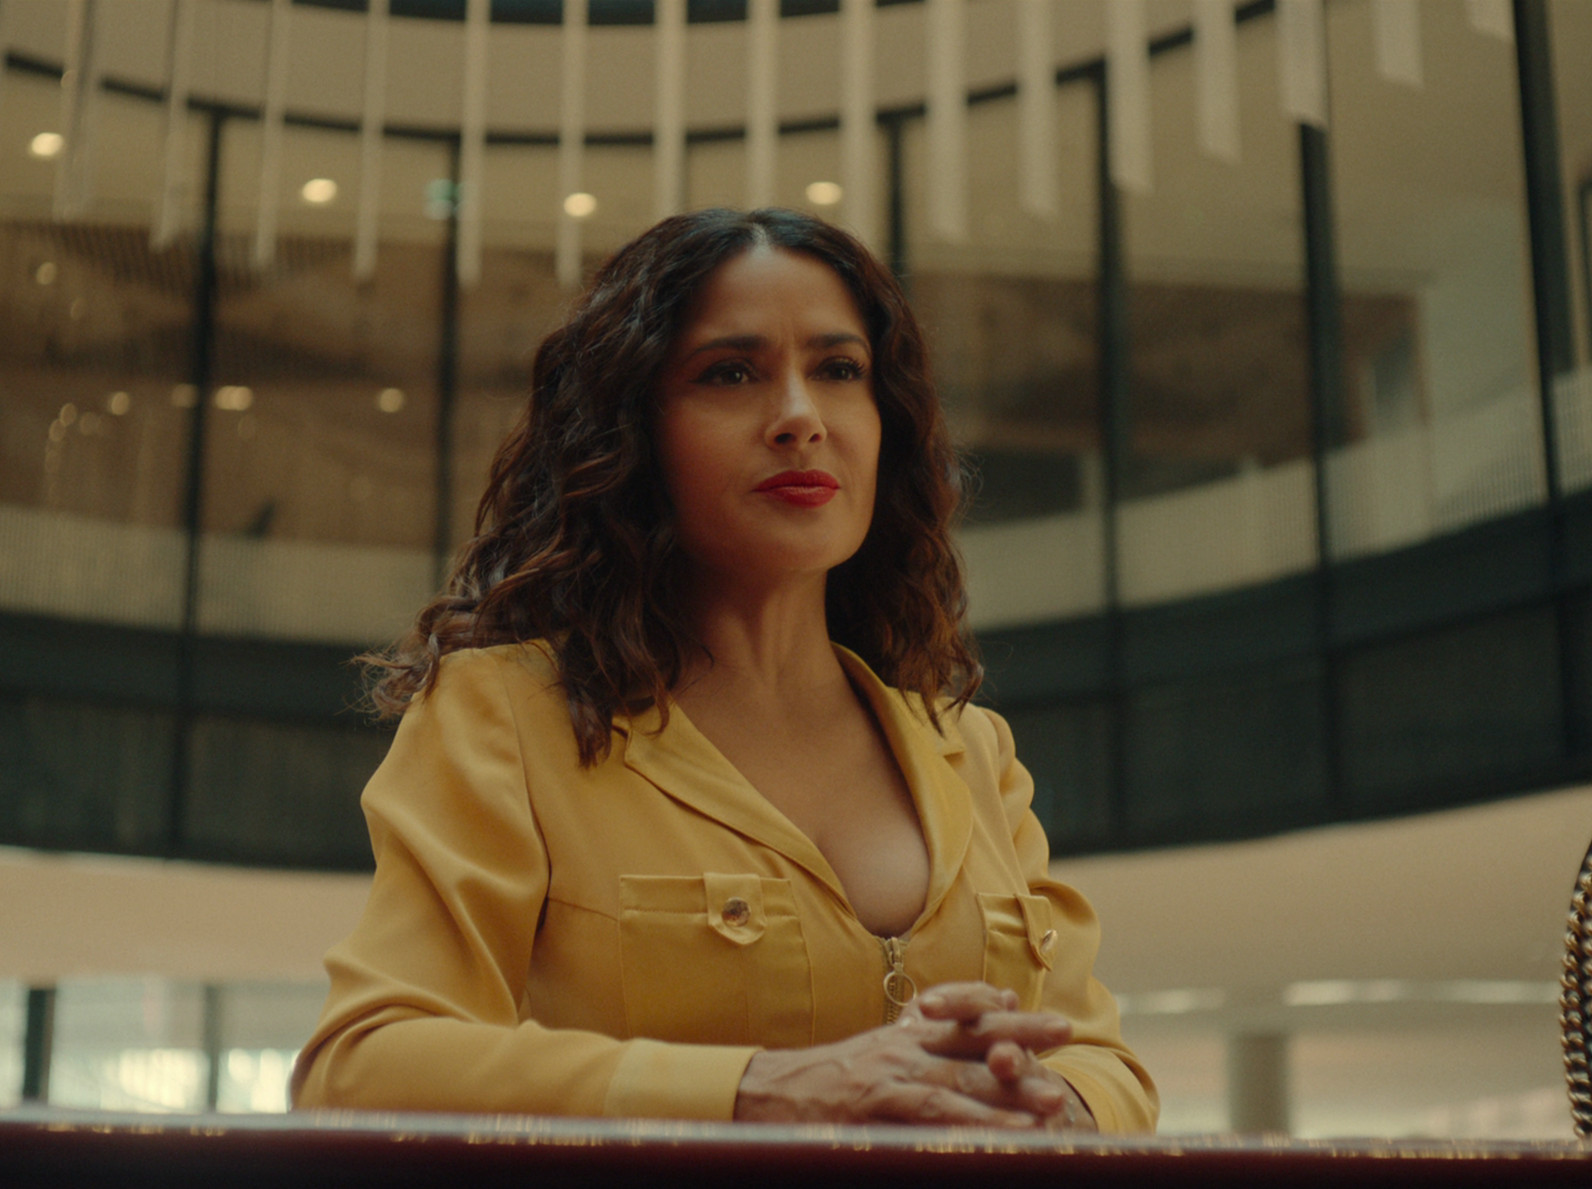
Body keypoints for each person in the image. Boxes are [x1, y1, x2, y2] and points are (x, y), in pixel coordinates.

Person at [291, 208, 1156, 1132]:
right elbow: (363, 1064)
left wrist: (1052, 1101)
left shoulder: (973, 750)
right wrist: (760, 1089)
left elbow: (1103, 1062)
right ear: (634, 433)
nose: (799, 417)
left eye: (838, 370)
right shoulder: (506, 716)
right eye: (731, 373)